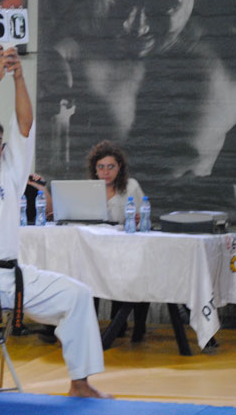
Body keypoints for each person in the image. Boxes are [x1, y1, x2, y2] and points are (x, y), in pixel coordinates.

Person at [0, 45, 112, 412]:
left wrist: (18, 76)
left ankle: (80, 383)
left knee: (77, 295)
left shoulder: (10, 174)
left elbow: (25, 126)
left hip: (11, 274)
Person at [38, 0, 236, 225]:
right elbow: (48, 167)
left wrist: (233, 196)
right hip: (95, 232)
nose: (134, 27)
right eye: (122, 0)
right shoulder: (70, 57)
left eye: (163, 6)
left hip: (177, 232)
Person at [86, 140, 149, 342]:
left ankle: (123, 325)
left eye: (111, 166)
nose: (106, 172)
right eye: (101, 167)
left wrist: (139, 219)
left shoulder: (131, 187)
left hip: (125, 250)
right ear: (95, 169)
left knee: (133, 272)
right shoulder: (87, 189)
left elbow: (143, 217)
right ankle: (88, 325)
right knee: (85, 271)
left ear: (119, 167)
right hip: (96, 249)